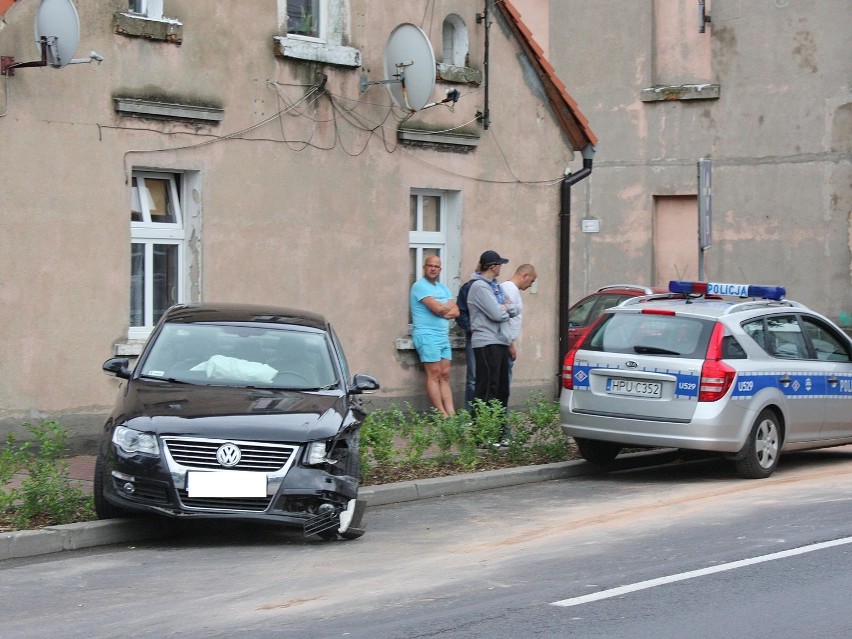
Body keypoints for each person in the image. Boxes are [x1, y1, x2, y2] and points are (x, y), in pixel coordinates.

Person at [466, 250, 519, 441]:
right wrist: (503, 309)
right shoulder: (480, 287)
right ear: (493, 266)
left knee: (502, 389)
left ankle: (497, 431)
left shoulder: (495, 286)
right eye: (499, 265)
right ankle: (482, 433)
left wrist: (503, 308)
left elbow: (514, 308)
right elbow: (497, 314)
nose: (501, 268)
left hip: (500, 341)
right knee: (488, 387)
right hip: (487, 343)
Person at [409, 255, 459, 417]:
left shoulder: (442, 288)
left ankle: (451, 414)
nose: (433, 268)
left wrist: (440, 308)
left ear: (440, 269)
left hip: (442, 337)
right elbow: (437, 309)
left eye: (436, 266)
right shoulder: (419, 286)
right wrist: (443, 309)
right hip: (426, 335)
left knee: (445, 375)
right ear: (424, 268)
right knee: (434, 374)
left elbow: (456, 311)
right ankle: (441, 415)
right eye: (429, 265)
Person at [500, 264, 537, 390]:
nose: (531, 285)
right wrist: (510, 345)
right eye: (531, 281)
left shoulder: (510, 288)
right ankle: (502, 409)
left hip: (506, 342)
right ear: (525, 276)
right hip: (505, 343)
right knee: (504, 384)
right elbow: (504, 318)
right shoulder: (510, 289)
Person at [454, 263, 481, 412]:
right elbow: (461, 314)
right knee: (473, 379)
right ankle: (470, 413)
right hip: (475, 338)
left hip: (491, 339)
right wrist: (472, 328)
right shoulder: (468, 288)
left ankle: (486, 415)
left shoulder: (494, 288)